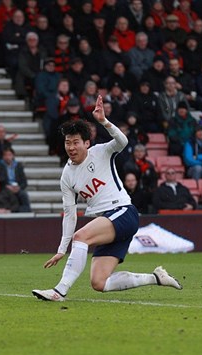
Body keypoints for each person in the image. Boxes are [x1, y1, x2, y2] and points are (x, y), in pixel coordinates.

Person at [32, 95, 182, 302]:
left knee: (81, 237)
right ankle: (156, 278)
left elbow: (123, 141)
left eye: (76, 142)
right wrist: (60, 249)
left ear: (87, 142)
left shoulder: (101, 151)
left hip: (123, 212)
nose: (71, 147)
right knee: (99, 283)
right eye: (68, 143)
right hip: (108, 221)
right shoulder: (67, 175)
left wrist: (104, 121)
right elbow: (69, 214)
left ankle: (59, 291)